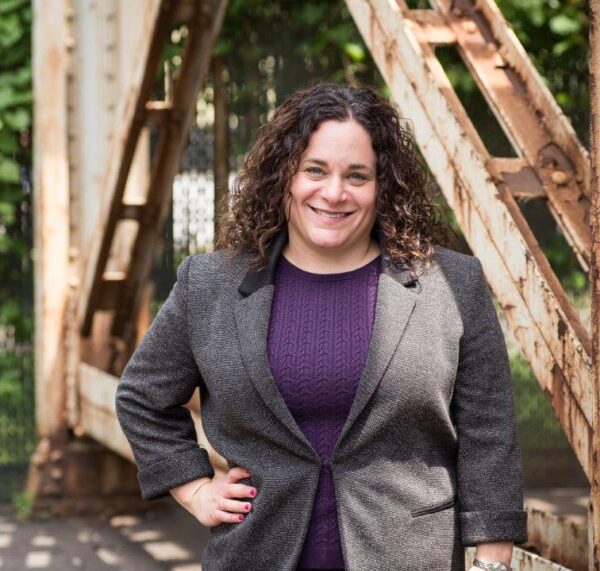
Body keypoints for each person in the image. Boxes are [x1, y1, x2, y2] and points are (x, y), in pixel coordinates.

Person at [115, 82, 527, 571]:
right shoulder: (210, 285)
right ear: (283, 175)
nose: (334, 193)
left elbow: (489, 430)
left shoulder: (451, 284)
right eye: (315, 170)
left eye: (357, 175)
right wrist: (194, 488)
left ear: (383, 186)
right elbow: (142, 396)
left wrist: (492, 562)